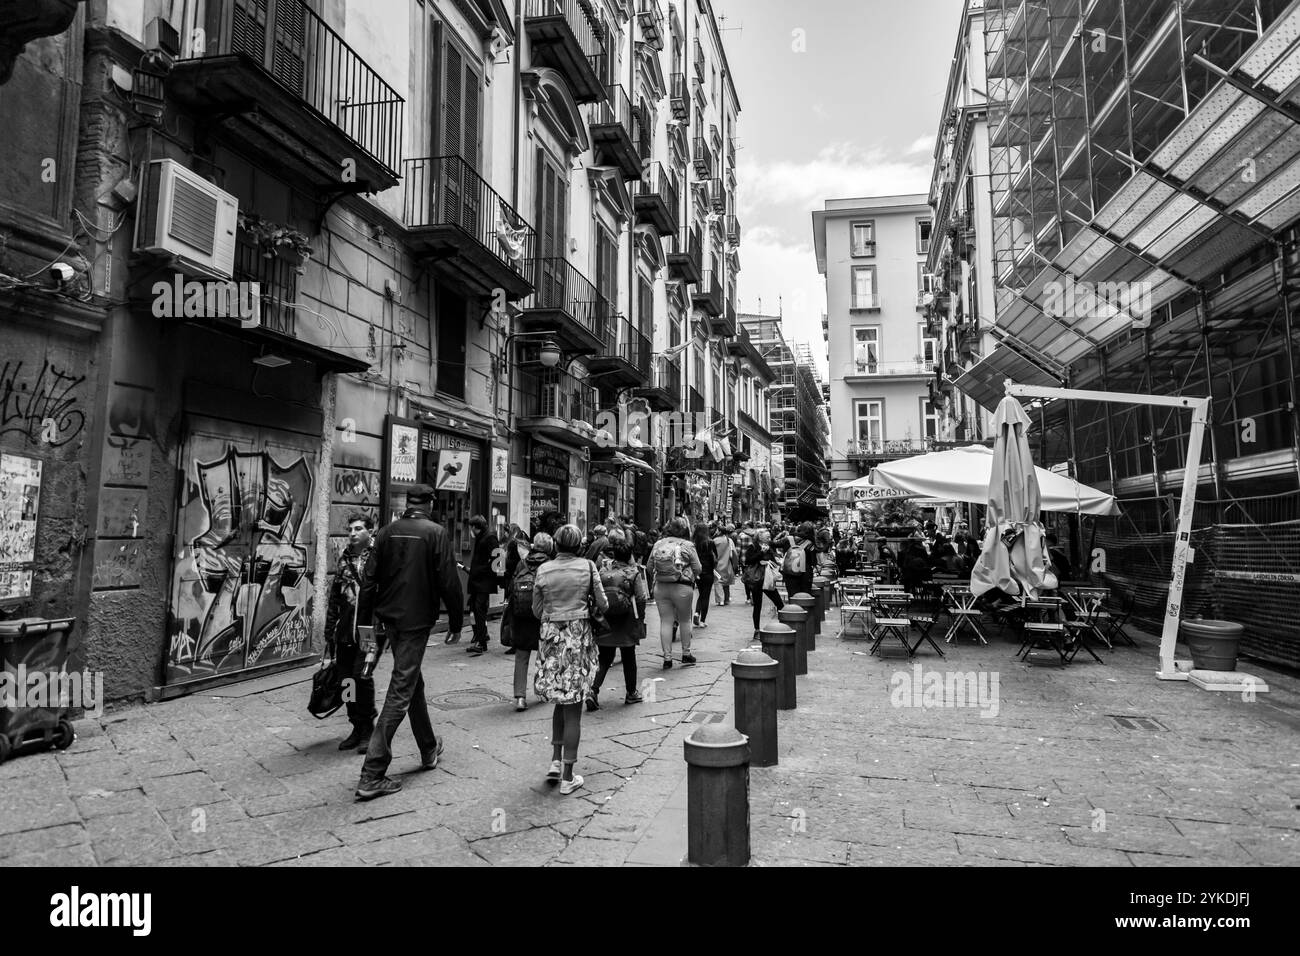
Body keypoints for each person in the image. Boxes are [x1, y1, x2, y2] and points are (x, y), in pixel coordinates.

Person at [355, 484, 464, 801]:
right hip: (417, 621)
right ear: (431, 503)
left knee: (411, 679)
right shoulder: (435, 533)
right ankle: (372, 772)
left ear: (408, 503)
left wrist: (364, 625)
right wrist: (456, 622)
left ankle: (428, 748)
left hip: (389, 620)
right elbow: (448, 581)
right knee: (402, 687)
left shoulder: (387, 532)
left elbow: (369, 581)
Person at [532, 524, 605, 795]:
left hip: (551, 637)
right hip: (577, 637)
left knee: (559, 702)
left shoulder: (544, 569)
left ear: (557, 544)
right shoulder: (587, 567)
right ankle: (568, 776)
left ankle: (554, 760)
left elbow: (536, 609)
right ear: (578, 545)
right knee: (573, 705)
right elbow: (603, 603)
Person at [323, 512, 376, 751]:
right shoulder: (343, 558)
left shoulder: (377, 556)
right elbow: (335, 594)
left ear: (370, 531)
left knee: (361, 677)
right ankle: (355, 724)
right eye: (350, 530)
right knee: (346, 680)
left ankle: (368, 726)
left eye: (358, 529)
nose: (352, 534)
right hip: (344, 630)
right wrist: (329, 628)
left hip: (368, 630)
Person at [588, 531, 648, 710]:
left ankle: (593, 690)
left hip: (606, 617)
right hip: (626, 618)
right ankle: (631, 692)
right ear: (629, 555)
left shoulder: (604, 570)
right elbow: (641, 598)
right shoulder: (633, 572)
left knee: (604, 657)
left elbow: (595, 592)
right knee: (629, 655)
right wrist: (640, 618)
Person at [505, 532, 552, 711]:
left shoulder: (522, 563)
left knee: (521, 656)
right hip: (543, 616)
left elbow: (511, 587)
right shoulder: (550, 565)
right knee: (545, 655)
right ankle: (542, 690)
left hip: (522, 615)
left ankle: (520, 697)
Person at [649, 517, 701, 669]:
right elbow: (698, 568)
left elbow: (649, 565)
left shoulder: (659, 544)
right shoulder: (688, 545)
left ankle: (667, 658)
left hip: (661, 586)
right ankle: (686, 654)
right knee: (684, 620)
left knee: (665, 621)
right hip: (682, 587)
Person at [465, 514, 498, 656]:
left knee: (479, 609)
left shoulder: (489, 537)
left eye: (471, 527)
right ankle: (481, 640)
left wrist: (479, 571)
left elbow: (496, 560)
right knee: (476, 608)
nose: (470, 530)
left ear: (475, 527)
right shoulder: (482, 537)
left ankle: (481, 641)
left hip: (483, 581)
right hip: (478, 581)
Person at [742, 529, 784, 639]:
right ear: (760, 537)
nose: (769, 538)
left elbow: (773, 559)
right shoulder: (753, 547)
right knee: (757, 605)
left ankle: (784, 626)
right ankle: (757, 630)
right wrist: (761, 554)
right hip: (756, 580)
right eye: (767, 537)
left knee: (779, 603)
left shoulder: (769, 546)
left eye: (769, 537)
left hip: (768, 579)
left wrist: (776, 561)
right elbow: (748, 561)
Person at [777, 521, 816, 598]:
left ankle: (792, 609)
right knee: (805, 597)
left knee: (792, 596)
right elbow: (813, 561)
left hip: (790, 573)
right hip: (805, 574)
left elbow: (774, 543)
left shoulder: (788, 539)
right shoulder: (810, 543)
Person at [692, 522, 717, 628]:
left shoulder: (693, 543)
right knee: (705, 596)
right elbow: (715, 557)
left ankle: (697, 612)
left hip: (697, 572)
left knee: (701, 594)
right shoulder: (710, 542)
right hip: (708, 572)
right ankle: (702, 619)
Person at [712, 525, 736, 606]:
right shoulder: (729, 540)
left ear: (719, 531)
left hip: (717, 564)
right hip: (727, 563)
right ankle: (726, 599)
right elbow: (733, 554)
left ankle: (720, 600)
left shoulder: (714, 541)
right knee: (726, 582)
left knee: (718, 582)